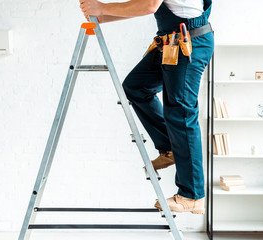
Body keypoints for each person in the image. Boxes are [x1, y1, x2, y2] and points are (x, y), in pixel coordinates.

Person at [79, 0, 214, 214]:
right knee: (136, 87)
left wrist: (102, 8)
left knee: (181, 114)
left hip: (189, 42)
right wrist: (104, 16)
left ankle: (192, 196)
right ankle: (169, 147)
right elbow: (144, 6)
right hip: (170, 42)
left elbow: (149, 5)